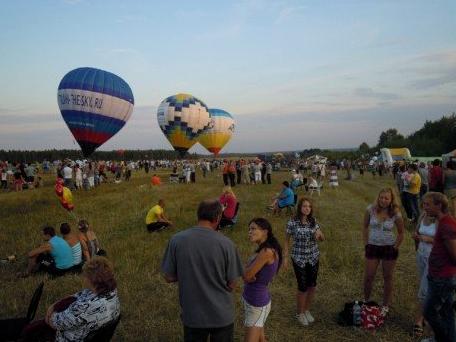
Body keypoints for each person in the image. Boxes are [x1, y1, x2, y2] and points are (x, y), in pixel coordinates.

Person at [161, 199, 244, 342]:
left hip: (193, 315)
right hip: (222, 315)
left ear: (198, 215)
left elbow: (168, 277)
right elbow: (232, 285)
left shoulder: (176, 240)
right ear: (218, 218)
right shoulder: (227, 244)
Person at [21, 257, 120, 341]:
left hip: (70, 338)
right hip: (91, 333)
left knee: (30, 331)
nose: (84, 278)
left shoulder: (85, 307)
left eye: (85, 276)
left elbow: (54, 323)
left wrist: (50, 310)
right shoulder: (111, 292)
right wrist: (57, 304)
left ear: (92, 280)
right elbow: (77, 295)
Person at [362, 188, 405, 316]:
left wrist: (395, 247)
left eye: (386, 198)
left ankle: (385, 305)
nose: (383, 200)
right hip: (373, 247)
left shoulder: (395, 213)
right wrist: (366, 244)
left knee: (388, 277)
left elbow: (401, 232)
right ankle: (366, 301)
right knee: (369, 277)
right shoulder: (370, 209)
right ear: (378, 197)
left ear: (391, 200)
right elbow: (364, 227)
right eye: (381, 197)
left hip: (388, 248)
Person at [284, 197, 324, 326]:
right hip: (299, 258)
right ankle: (299, 313)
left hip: (313, 257)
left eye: (309, 206)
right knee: (302, 286)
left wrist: (320, 235)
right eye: (304, 206)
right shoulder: (292, 222)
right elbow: (286, 241)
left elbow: (321, 237)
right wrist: (285, 258)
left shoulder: (313, 221)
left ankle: (306, 310)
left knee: (312, 285)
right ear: (300, 208)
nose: (307, 208)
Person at [422, 192, 456, 342]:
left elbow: (455, 255)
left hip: (442, 278)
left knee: (429, 312)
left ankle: (442, 339)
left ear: (439, 205)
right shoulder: (441, 222)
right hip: (439, 276)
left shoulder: (447, 225)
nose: (425, 208)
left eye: (428, 204)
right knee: (446, 312)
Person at [243, 218, 282, 342]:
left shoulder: (266, 252)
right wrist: (247, 274)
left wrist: (247, 274)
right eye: (249, 229)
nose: (250, 232)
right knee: (261, 339)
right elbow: (247, 274)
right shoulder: (262, 249)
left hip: (257, 304)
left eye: (253, 228)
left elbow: (247, 275)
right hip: (252, 300)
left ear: (265, 232)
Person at [411, 211, 436, 337]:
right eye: (424, 203)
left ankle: (419, 321)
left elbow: (446, 240)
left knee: (424, 290)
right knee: (424, 285)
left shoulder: (443, 219)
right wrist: (416, 237)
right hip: (421, 254)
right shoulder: (423, 215)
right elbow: (417, 232)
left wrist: (428, 239)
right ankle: (427, 316)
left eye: (427, 204)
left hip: (434, 258)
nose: (424, 206)